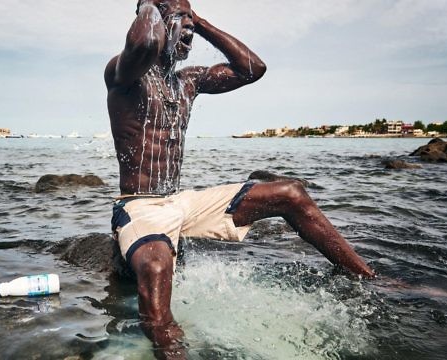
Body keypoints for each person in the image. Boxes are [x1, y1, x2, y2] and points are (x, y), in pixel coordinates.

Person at [105, 1, 375, 358]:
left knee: (290, 193)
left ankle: (368, 279)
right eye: (178, 15)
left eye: (190, 16)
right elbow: (141, 45)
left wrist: (198, 22)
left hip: (180, 200)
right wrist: (151, 7)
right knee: (156, 267)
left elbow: (252, 68)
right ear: (153, 16)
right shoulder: (125, 75)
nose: (187, 25)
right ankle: (171, 347)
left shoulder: (188, 81)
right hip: (140, 204)